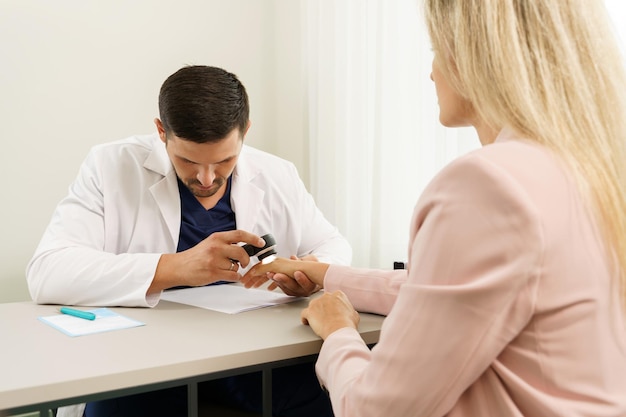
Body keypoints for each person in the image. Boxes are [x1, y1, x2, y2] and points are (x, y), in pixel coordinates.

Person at [242, 0, 626, 415]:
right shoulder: (591, 165)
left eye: (435, 52)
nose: (431, 72)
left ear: (474, 57)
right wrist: (327, 274)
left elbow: (376, 410)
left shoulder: (489, 183)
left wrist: (336, 330)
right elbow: (456, 294)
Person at [27, 65, 349, 416]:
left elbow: (333, 245)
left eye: (225, 159)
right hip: (142, 358)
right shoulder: (110, 165)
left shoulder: (277, 173)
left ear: (245, 132)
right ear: (161, 131)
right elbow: (47, 272)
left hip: (249, 351)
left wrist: (310, 273)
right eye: (188, 160)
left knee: (321, 401)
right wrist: (175, 267)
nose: (208, 178)